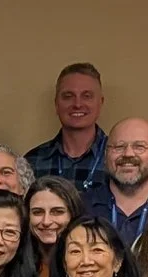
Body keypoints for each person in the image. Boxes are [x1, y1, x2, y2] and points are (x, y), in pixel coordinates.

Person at [24, 61, 108, 193]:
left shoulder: (117, 158)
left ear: (100, 103)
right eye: (68, 96)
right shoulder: (33, 161)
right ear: (56, 104)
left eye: (87, 96)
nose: (78, 104)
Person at [92, 117, 148, 248]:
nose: (128, 154)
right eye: (119, 147)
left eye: (139, 147)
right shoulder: (80, 207)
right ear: (105, 154)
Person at [24, 179, 85, 277]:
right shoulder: (15, 263)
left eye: (57, 212)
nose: (46, 221)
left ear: (73, 214)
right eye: (37, 212)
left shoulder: (86, 263)